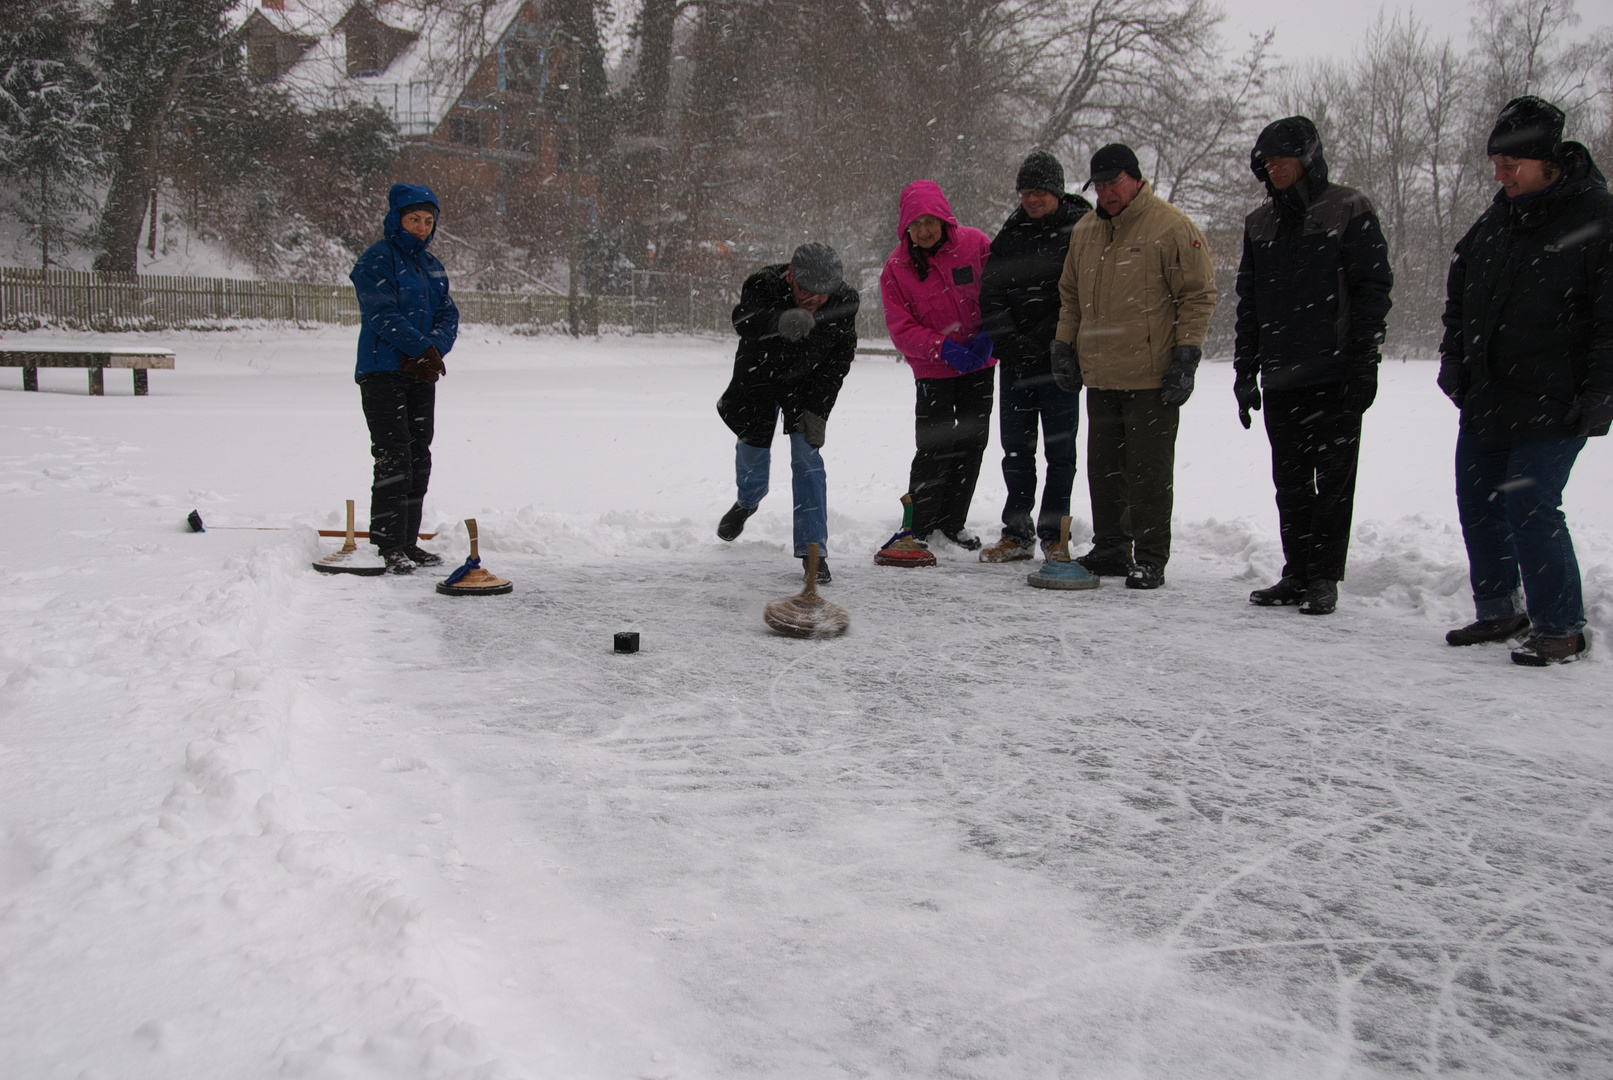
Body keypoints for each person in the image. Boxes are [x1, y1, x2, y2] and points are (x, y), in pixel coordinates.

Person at [1438, 95, 1612, 665]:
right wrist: (1455, 357)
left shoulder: (1596, 216)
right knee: (1479, 498)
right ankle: (1499, 610)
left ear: (1547, 160)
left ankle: (1561, 625)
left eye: (1510, 166)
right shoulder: (1498, 217)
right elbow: (1461, 288)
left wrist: (1600, 390)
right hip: (1489, 391)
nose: (1501, 175)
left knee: (1531, 503)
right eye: (1496, 165)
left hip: (1555, 394)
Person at [1234, 117, 1394, 616]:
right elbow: (1250, 303)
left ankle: (1324, 576)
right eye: (1268, 162)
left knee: (1333, 484)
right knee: (1291, 482)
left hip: (1335, 373)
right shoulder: (1259, 224)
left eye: (1283, 159)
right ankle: (1296, 571)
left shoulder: (1347, 208)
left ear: (1308, 158)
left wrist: (1364, 363)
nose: (1275, 169)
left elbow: (1372, 291)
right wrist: (1245, 370)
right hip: (1282, 375)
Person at [1052, 144, 1217, 590]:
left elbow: (1198, 295)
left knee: (1149, 471)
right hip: (1100, 373)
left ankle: (1150, 556)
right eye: (1099, 185)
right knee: (1103, 468)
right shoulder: (1084, 230)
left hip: (1151, 374)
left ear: (1134, 178)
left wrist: (1187, 354)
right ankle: (1110, 548)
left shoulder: (1171, 227)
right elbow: (1070, 296)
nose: (1106, 193)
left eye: (1113, 183)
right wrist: (1064, 345)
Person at [715, 243, 859, 583]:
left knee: (807, 459)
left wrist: (819, 409)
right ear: (790, 275)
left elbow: (839, 360)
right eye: (804, 290)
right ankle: (747, 501)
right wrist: (779, 320)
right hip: (759, 379)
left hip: (806, 387)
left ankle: (813, 551)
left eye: (821, 295)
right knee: (751, 451)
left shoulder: (844, 301)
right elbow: (742, 320)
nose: (812, 300)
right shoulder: (763, 283)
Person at [978, 150, 1093, 563]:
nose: (1032, 199)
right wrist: (1009, 341)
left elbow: (1079, 295)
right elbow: (991, 293)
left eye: (1040, 192)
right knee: (1015, 449)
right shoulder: (1010, 235)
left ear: (1057, 191)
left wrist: (1045, 338)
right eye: (1026, 192)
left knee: (1060, 452)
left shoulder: (1083, 230)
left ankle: (1054, 534)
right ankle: (1017, 532)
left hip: (1060, 359)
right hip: (1015, 363)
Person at [880, 179, 996, 551]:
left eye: (931, 221)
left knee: (972, 443)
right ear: (905, 228)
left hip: (979, 365)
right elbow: (901, 328)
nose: (925, 231)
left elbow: (999, 291)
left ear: (945, 219)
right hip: (935, 371)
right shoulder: (896, 269)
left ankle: (953, 522)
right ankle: (917, 527)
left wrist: (991, 333)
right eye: (916, 224)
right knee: (934, 446)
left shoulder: (976, 244)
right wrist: (942, 347)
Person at [349, 183, 459, 575]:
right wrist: (418, 349)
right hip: (382, 373)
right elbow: (382, 315)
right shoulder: (376, 261)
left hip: (421, 373)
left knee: (419, 457)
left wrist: (433, 352)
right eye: (414, 219)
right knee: (394, 456)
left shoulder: (431, 266)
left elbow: (449, 315)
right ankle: (388, 543)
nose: (421, 227)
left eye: (428, 221)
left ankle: (408, 541)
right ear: (397, 218)